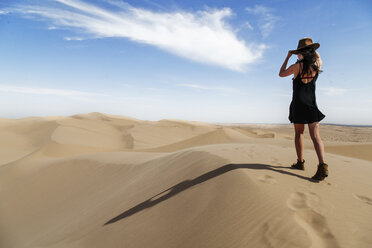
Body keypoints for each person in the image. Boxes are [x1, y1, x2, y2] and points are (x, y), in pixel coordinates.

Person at [279, 37, 328, 181]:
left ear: (300, 53)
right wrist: (313, 51)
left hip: (298, 104)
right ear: (312, 52)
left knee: (299, 134)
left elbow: (281, 73)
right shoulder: (317, 65)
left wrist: (288, 56)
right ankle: (322, 165)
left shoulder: (296, 67)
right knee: (315, 136)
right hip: (311, 104)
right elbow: (318, 57)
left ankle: (300, 163)